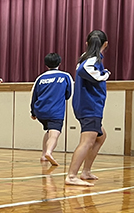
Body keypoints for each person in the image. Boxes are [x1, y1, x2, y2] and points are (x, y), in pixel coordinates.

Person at [66, 30, 110, 187]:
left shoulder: (87, 59)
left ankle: (86, 171)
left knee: (101, 136)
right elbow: (83, 71)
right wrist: (103, 75)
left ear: (86, 43)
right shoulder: (91, 61)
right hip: (89, 107)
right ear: (105, 44)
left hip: (88, 107)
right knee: (87, 141)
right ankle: (71, 176)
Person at [31, 53, 73, 167]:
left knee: (49, 131)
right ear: (59, 63)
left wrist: (33, 112)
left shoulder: (40, 78)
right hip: (55, 111)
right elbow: (69, 94)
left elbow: (34, 95)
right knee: (54, 134)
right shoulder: (65, 76)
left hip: (41, 111)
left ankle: (44, 154)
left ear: (46, 64)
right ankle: (49, 152)